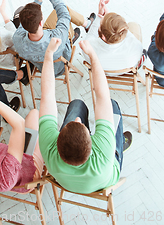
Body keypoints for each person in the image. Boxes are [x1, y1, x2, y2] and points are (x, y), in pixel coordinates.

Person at [38, 37, 132, 194]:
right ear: (92, 142)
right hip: (106, 175)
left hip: (66, 183)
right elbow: (103, 97)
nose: (78, 119)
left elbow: (47, 95)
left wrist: (48, 54)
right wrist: (93, 56)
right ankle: (119, 145)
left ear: (58, 139)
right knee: (112, 105)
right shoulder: (104, 150)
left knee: (76, 104)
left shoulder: (48, 147)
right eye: (81, 124)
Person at [13, 0, 93, 77]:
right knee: (65, 12)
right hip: (61, 65)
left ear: (22, 25)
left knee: (61, 14)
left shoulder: (17, 39)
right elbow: (64, 13)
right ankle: (84, 26)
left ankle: (86, 24)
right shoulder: (57, 37)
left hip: (43, 68)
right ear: (41, 23)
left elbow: (28, 17)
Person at [82, 0, 144, 73]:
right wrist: (111, 21)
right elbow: (126, 33)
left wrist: (99, 17)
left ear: (103, 37)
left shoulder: (88, 48)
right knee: (133, 25)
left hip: (103, 73)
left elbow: (91, 35)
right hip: (126, 70)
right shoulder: (135, 46)